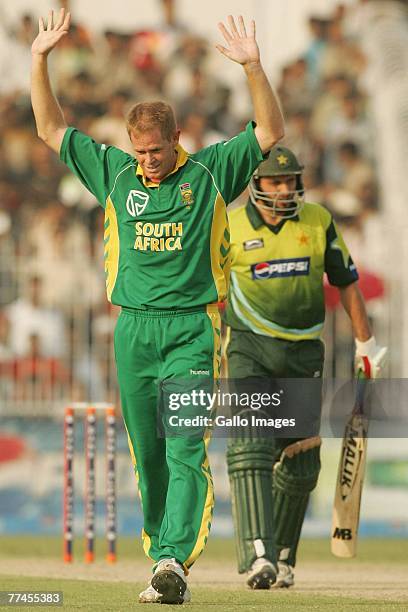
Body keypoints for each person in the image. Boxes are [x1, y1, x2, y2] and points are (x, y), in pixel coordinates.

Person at [30, 9, 284, 605]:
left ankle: (173, 559)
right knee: (148, 455)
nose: (147, 160)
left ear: (176, 141)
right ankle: (161, 557)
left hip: (194, 329)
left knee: (184, 445)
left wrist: (252, 65)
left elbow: (270, 132)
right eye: (139, 151)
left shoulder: (211, 172)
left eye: (156, 150)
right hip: (133, 332)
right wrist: (38, 60)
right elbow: (48, 129)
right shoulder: (115, 175)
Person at [224, 145, 387, 589]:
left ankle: (281, 556)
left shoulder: (317, 221)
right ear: (256, 185)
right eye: (275, 181)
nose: (284, 189)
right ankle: (257, 555)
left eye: (290, 180)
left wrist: (365, 342)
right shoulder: (231, 226)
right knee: (251, 444)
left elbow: (346, 280)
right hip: (249, 349)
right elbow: (206, 287)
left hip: (302, 353)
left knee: (301, 460)